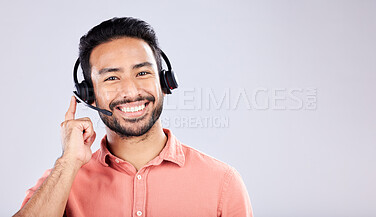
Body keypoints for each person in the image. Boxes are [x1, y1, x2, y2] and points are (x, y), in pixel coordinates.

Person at [13, 17, 253, 217]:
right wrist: (68, 162)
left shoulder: (223, 182)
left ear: (164, 83)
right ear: (89, 95)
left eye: (143, 72)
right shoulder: (61, 181)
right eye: (111, 78)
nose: (131, 91)